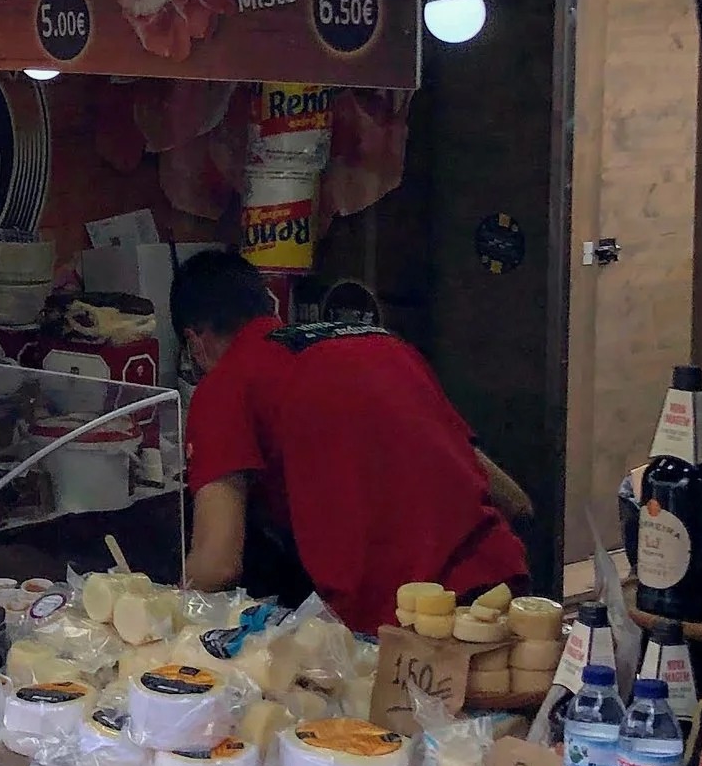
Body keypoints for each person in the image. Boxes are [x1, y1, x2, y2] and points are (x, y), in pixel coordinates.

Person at [172, 247, 528, 629]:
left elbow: (218, 564)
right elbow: (514, 501)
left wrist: (154, 607)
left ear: (196, 343)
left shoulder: (226, 384)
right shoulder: (384, 345)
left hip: (409, 629)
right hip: (502, 595)